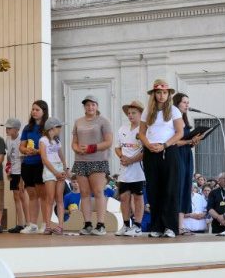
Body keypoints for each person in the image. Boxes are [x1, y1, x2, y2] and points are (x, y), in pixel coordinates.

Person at [138, 79, 184, 238]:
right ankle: (156, 225)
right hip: (151, 152)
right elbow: (142, 133)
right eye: (159, 92)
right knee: (153, 189)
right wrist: (148, 145)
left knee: (169, 189)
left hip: (168, 151)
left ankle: (170, 226)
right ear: (154, 94)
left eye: (165, 92)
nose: (162, 95)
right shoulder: (147, 112)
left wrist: (165, 145)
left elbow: (179, 133)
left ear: (169, 94)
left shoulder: (174, 111)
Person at [71, 95, 113, 236]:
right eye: (87, 105)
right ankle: (87, 223)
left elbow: (108, 142)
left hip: (98, 159)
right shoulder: (78, 122)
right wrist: (77, 148)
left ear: (97, 106)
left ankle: (100, 224)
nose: (90, 107)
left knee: (98, 191)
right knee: (84, 192)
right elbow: (74, 142)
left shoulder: (104, 121)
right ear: (84, 107)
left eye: (93, 104)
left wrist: (92, 148)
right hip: (81, 161)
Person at [114, 100, 146, 237]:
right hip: (124, 170)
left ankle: (138, 225)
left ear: (140, 114)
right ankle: (126, 225)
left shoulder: (144, 130)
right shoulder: (122, 129)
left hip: (138, 170)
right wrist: (122, 157)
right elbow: (117, 147)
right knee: (124, 197)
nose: (130, 115)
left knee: (138, 197)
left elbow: (146, 151)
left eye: (134, 113)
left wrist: (131, 160)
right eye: (129, 113)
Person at [172, 93, 202, 235]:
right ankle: (177, 226)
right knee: (178, 189)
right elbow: (173, 142)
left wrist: (193, 141)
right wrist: (189, 141)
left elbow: (185, 143)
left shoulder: (184, 120)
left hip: (186, 156)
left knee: (185, 188)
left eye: (188, 103)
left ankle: (181, 225)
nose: (187, 105)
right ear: (177, 103)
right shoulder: (172, 120)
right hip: (176, 156)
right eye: (184, 102)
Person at [19, 100, 49, 234]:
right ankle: (32, 224)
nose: (34, 112)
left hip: (41, 163)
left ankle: (45, 223)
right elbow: (21, 146)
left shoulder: (48, 127)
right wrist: (26, 150)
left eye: (37, 110)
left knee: (42, 194)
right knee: (31, 194)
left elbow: (52, 146)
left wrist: (38, 151)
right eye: (33, 109)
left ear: (43, 111)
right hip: (28, 163)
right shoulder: (27, 128)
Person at [39, 117, 66, 235]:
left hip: (59, 168)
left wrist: (65, 168)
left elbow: (61, 155)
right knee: (49, 198)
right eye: (58, 127)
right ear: (52, 128)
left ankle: (60, 225)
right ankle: (48, 225)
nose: (60, 129)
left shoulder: (57, 141)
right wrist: (55, 172)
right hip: (50, 170)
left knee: (59, 198)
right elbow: (44, 158)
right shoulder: (43, 140)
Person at [4, 118, 28, 233]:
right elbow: (9, 156)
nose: (7, 130)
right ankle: (20, 223)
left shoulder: (21, 140)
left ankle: (29, 223)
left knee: (23, 196)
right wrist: (8, 169)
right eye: (6, 128)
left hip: (21, 172)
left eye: (9, 128)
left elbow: (24, 160)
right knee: (16, 197)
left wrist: (22, 179)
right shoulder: (8, 139)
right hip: (13, 171)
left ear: (17, 129)